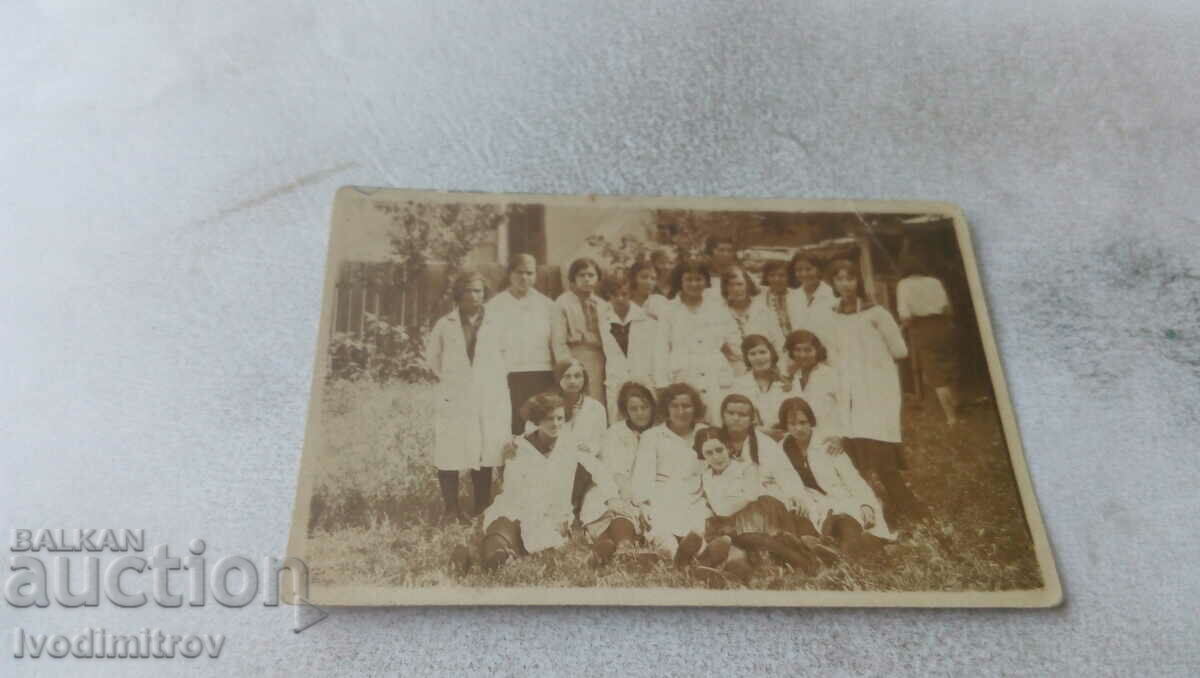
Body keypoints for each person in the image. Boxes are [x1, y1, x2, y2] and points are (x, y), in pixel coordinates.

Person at [470, 393, 619, 572]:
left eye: (560, 418)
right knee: (503, 522)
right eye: (549, 419)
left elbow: (599, 470)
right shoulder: (520, 447)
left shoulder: (570, 444)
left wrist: (613, 497)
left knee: (546, 532)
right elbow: (512, 487)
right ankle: (494, 555)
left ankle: (597, 554)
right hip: (521, 504)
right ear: (537, 420)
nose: (556, 424)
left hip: (554, 510)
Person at [827, 258, 926, 528]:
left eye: (849, 278)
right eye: (839, 278)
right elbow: (833, 355)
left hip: (877, 392)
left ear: (858, 280)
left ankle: (913, 512)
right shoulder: (832, 314)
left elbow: (900, 351)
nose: (845, 284)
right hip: (848, 394)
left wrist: (872, 364)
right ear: (833, 283)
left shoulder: (876, 313)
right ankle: (866, 512)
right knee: (854, 457)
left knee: (882, 457)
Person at [426, 271, 512, 522]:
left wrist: (491, 380)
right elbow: (433, 358)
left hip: (489, 394)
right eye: (469, 291)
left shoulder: (497, 322)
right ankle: (451, 509)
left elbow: (508, 354)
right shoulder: (446, 324)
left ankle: (481, 506)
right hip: (456, 395)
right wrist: (452, 381)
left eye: (479, 291)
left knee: (486, 448)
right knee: (450, 447)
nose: (475, 296)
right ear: (459, 294)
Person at [689, 428, 826, 576]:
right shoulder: (708, 477)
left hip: (766, 516)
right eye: (709, 453)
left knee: (758, 533)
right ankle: (801, 559)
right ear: (703, 457)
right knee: (746, 543)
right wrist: (738, 499)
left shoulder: (747, 468)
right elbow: (720, 509)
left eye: (719, 450)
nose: (716, 457)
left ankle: (805, 561)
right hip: (736, 525)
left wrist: (735, 500)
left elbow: (751, 496)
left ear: (728, 448)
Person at [777, 397, 894, 559]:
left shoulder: (827, 444)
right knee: (810, 521)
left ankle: (845, 553)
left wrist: (866, 504)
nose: (798, 428)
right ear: (785, 425)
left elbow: (853, 479)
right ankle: (835, 549)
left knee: (844, 519)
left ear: (811, 422)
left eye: (803, 422)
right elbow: (777, 478)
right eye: (792, 423)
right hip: (812, 501)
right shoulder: (782, 448)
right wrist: (792, 497)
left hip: (841, 497)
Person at [631, 383, 712, 558]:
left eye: (686, 406)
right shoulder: (652, 436)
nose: (681, 411)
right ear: (666, 409)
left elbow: (713, 470)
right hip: (662, 495)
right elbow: (642, 474)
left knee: (697, 535)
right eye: (674, 406)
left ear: (695, 408)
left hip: (696, 497)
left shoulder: (705, 433)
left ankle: (699, 556)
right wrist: (644, 503)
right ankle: (676, 557)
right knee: (663, 533)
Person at [580, 382, 657, 567]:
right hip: (614, 485)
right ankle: (625, 547)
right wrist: (623, 494)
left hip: (646, 489)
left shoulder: (658, 433)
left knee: (633, 512)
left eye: (644, 407)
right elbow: (614, 470)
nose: (640, 413)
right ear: (625, 410)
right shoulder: (615, 432)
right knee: (613, 510)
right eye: (634, 408)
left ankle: (603, 548)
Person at [654, 260, 739, 421]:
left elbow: (734, 340)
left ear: (706, 281)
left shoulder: (718, 308)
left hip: (715, 373)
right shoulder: (669, 310)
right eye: (689, 279)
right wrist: (662, 383)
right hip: (683, 372)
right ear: (680, 281)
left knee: (716, 418)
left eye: (699, 279)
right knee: (686, 419)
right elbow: (661, 348)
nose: (694, 284)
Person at [488, 253, 559, 435]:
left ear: (535, 275)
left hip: (541, 372)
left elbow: (556, 343)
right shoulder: (495, 306)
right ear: (510, 274)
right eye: (519, 272)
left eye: (529, 273)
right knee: (512, 423)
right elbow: (490, 344)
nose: (524, 278)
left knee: (540, 422)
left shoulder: (547, 305)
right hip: (509, 373)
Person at [896, 253, 960, 425]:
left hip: (923, 328)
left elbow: (906, 316)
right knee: (948, 366)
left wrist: (901, 328)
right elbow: (947, 308)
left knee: (935, 373)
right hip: (944, 325)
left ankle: (951, 417)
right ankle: (955, 403)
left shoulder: (903, 285)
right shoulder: (935, 281)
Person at [599, 269, 658, 417]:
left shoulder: (648, 320)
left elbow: (657, 355)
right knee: (617, 423)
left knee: (646, 420)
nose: (619, 299)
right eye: (614, 295)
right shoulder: (602, 321)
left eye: (624, 294)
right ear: (608, 295)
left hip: (643, 378)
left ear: (631, 293)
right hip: (616, 380)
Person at [552, 257, 610, 409]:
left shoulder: (603, 305)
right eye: (581, 275)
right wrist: (567, 366)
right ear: (573, 278)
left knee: (597, 399)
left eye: (591, 275)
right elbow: (558, 340)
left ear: (598, 278)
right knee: (575, 399)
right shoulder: (563, 303)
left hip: (599, 358)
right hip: (575, 356)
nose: (586, 279)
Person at [719, 267, 784, 380]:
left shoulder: (763, 311)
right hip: (733, 373)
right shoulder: (719, 313)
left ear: (748, 285)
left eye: (740, 284)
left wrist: (781, 372)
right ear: (725, 288)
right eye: (731, 285)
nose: (736, 289)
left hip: (766, 371)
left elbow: (779, 344)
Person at [783, 329, 845, 436]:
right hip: (802, 438)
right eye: (797, 350)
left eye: (808, 350)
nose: (802, 355)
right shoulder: (793, 378)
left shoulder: (831, 375)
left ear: (817, 351)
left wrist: (842, 438)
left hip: (832, 438)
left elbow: (846, 410)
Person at [728, 334, 789, 435]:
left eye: (763, 352)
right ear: (747, 358)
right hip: (754, 438)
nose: (759, 358)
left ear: (771, 354)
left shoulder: (787, 381)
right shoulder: (739, 385)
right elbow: (736, 420)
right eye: (752, 354)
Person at [787, 252, 837, 349]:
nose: (804, 274)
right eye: (799, 270)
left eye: (808, 269)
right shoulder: (792, 296)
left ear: (819, 270)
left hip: (829, 350)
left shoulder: (833, 295)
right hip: (802, 353)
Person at [760, 260, 796, 360]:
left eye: (781, 275)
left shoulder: (798, 295)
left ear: (789, 277)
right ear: (766, 277)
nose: (777, 279)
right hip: (770, 347)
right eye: (772, 275)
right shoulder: (759, 297)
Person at [703, 235, 739, 303]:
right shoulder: (702, 274)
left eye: (730, 250)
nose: (726, 254)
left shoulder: (738, 274)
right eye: (721, 250)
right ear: (711, 251)